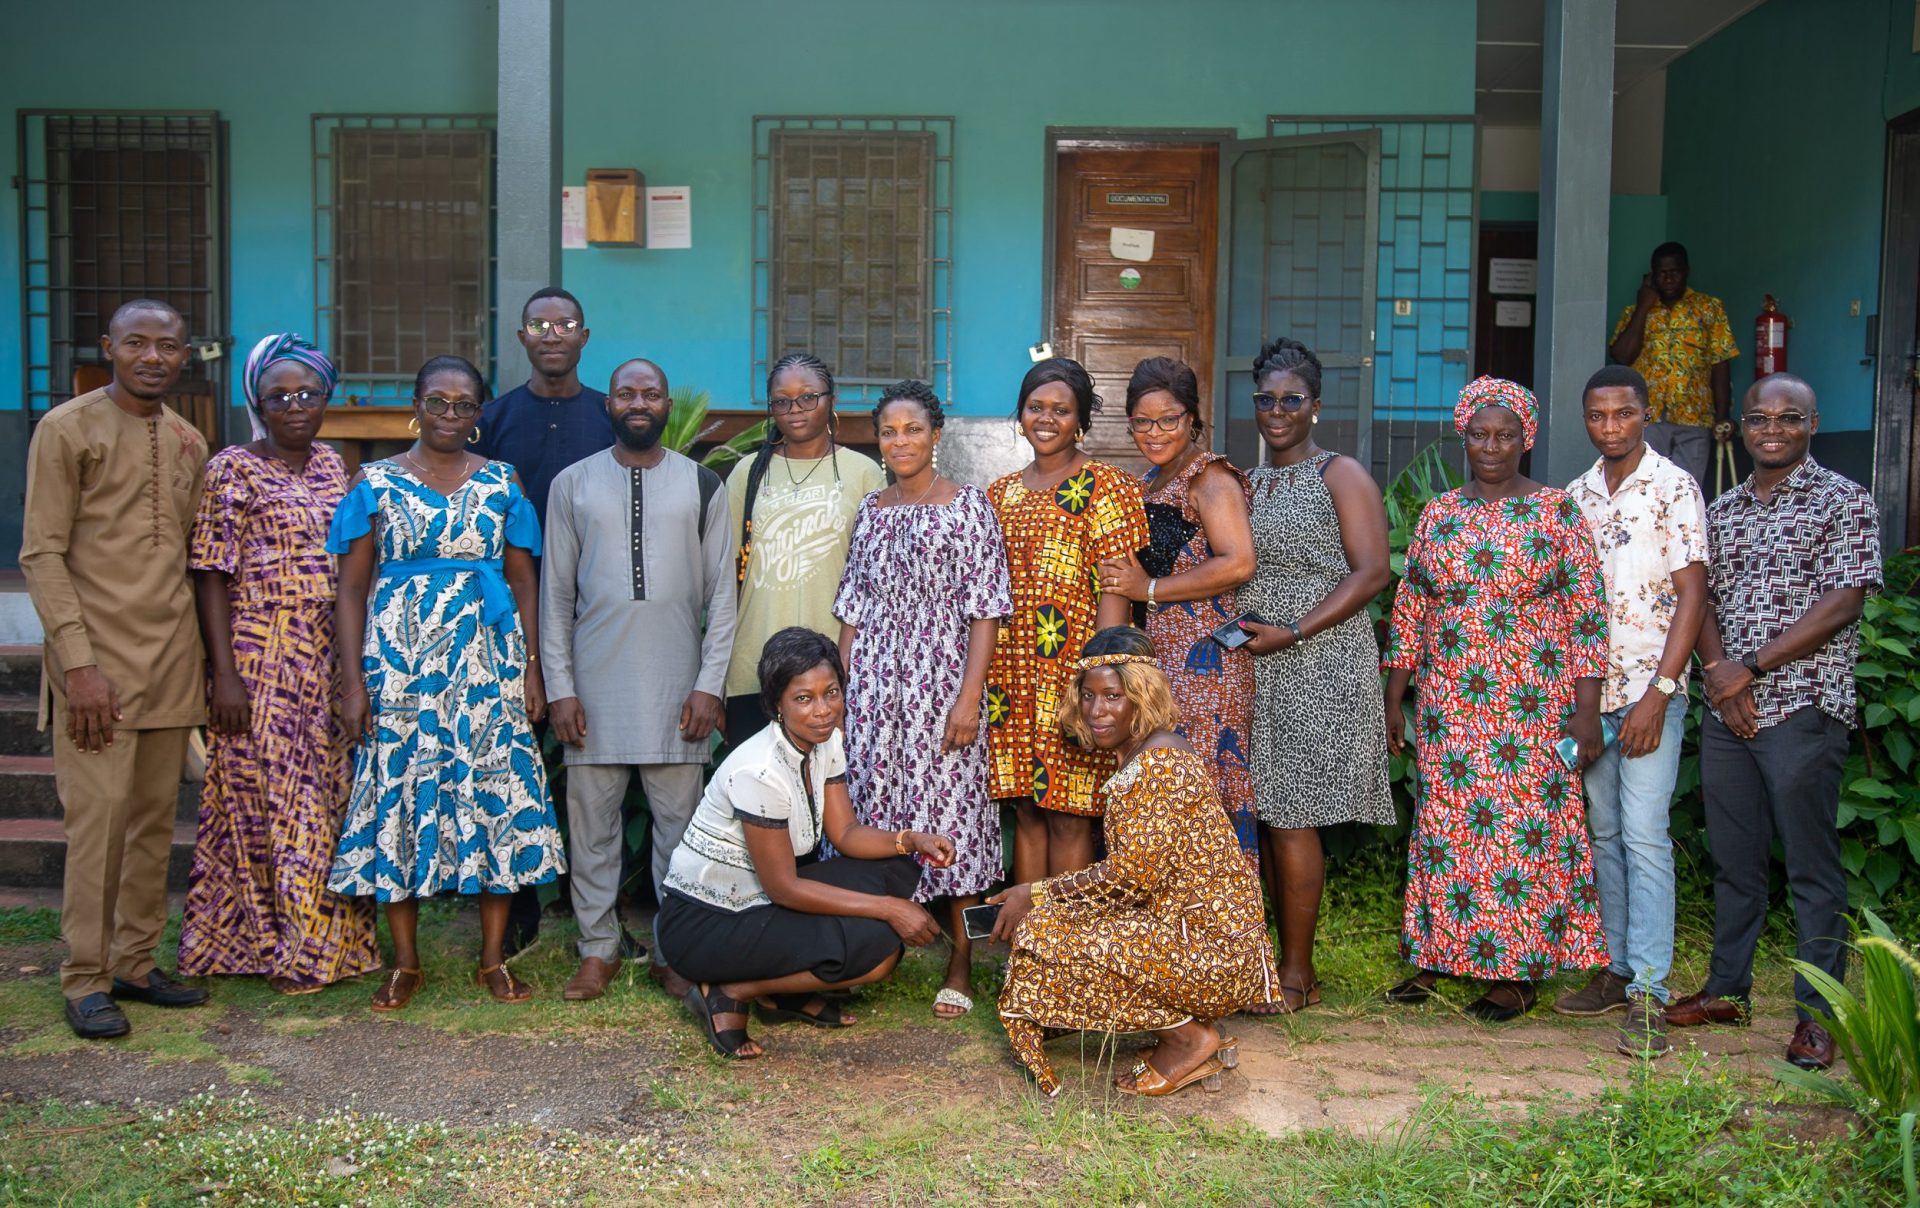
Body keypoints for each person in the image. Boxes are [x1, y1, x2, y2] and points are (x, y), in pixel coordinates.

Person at [326, 355, 566, 1010]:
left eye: (465, 405)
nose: (451, 415)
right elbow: (349, 591)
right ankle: (406, 963)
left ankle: (492, 960)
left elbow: (523, 583)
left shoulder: (501, 483)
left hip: (488, 662)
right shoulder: (374, 483)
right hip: (399, 666)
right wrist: (352, 682)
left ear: (479, 414)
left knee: (494, 787)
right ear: (417, 404)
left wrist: (533, 670)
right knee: (398, 790)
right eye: (438, 402)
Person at [1670, 373, 1881, 1073]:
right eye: (1760, 417)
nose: (1772, 429)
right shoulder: (1722, 509)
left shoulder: (1844, 501)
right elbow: (1701, 600)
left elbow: (1843, 603)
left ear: (1812, 424)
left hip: (1804, 706)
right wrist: (1723, 678)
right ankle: (1728, 989)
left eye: (1788, 418)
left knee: (1812, 872)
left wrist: (1750, 668)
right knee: (1735, 862)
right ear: (1742, 423)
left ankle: (1818, 1019)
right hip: (1732, 711)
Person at [1382, 377, 1610, 1021]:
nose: (1491, 446)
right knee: (1447, 826)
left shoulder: (1557, 512)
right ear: (1463, 436)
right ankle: (1440, 952)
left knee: (1520, 833)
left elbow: (1586, 613)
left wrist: (1587, 711)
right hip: (1451, 700)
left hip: (1531, 703)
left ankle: (1517, 971)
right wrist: (1393, 698)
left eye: (1505, 435)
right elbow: (1412, 606)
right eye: (1479, 434)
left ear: (1526, 439)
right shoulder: (1439, 513)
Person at [20, 299, 213, 1039]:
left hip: (170, 663)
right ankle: (84, 977)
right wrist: (78, 666)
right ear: (110, 347)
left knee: (152, 826)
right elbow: (41, 553)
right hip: (95, 668)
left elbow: (188, 560)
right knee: (96, 826)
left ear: (186, 356)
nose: (153, 357)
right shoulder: (66, 430)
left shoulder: (190, 439)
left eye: (168, 346)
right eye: (137, 343)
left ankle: (135, 963)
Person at [988, 627, 1278, 1098]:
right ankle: (1184, 1025)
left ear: (1142, 697)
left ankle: (1189, 1039)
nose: (1097, 711)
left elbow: (1130, 875)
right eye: (1087, 696)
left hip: (1216, 954)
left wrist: (1036, 892)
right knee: (1057, 922)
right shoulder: (1145, 755)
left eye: (1113, 696)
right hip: (1193, 940)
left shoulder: (1159, 764)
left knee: (1045, 930)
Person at [178, 333, 379, 994]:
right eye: (278, 396)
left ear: (326, 399)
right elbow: (210, 572)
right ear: (256, 402)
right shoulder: (231, 468)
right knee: (278, 802)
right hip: (261, 651)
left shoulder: (332, 466)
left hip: (329, 651)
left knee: (326, 799)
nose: (294, 405)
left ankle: (337, 940)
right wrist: (224, 673)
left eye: (308, 394)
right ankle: (296, 948)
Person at [654, 627, 956, 1059]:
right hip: (705, 921)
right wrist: (890, 908)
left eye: (831, 692)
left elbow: (846, 834)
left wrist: (911, 839)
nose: (823, 711)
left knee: (898, 868)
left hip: (758, 900)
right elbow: (784, 889)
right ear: (776, 702)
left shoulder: (824, 741)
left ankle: (783, 994)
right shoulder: (758, 770)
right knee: (879, 948)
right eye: (804, 698)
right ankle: (730, 989)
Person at [541, 358, 735, 1003]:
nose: (639, 403)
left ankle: (671, 948)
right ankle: (596, 950)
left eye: (651, 393)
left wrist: (709, 684)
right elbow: (554, 598)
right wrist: (561, 687)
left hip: (678, 689)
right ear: (609, 404)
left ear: (664, 404)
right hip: (593, 689)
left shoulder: (705, 485)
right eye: (627, 392)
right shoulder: (572, 485)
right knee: (591, 827)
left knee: (680, 832)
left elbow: (723, 598)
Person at [834, 379, 1011, 1020]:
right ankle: (869, 949)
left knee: (952, 818)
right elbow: (853, 606)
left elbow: (985, 610)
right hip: (876, 696)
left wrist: (970, 698)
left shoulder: (968, 506)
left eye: (912, 429)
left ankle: (963, 963)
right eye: (889, 431)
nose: (900, 440)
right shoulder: (872, 510)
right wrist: (843, 689)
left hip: (942, 690)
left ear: (937, 435)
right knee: (874, 815)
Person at [1233, 338, 1395, 1016]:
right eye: (1266, 399)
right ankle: (1270, 960)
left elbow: (1373, 572)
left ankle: (1298, 974)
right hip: (1256, 665)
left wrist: (1295, 630)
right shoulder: (1247, 480)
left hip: (1317, 660)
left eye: (1292, 400)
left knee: (1293, 817)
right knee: (1267, 815)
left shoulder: (1341, 474)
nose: (1278, 411)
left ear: (1316, 407)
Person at [1555, 365, 1708, 1060]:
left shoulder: (1674, 487)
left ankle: (1650, 988)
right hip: (1591, 699)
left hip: (1651, 695)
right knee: (1606, 832)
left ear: (1646, 413)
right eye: (1598, 415)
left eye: (1623, 413)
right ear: (1585, 418)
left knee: (1646, 835)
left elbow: (1691, 595)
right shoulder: (1575, 496)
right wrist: (1581, 708)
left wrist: (1661, 692)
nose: (1610, 425)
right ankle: (1617, 969)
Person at [472, 286, 612, 955]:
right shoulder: (493, 418)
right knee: (514, 757)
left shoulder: (610, 415)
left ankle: (594, 901)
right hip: (507, 613)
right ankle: (520, 902)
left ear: (585, 336)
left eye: (565, 324)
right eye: (538, 324)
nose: (552, 333)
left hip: (598, 611)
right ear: (521, 336)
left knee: (586, 755)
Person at [987, 358, 1149, 879]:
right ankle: (1027, 947)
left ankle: (1063, 947)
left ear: (1080, 420)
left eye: (1062, 410)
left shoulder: (1108, 487)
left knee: (1071, 815)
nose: (1047, 419)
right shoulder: (999, 494)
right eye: (1036, 407)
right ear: (1020, 415)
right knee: (1029, 811)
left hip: (1075, 672)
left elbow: (1116, 588)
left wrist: (1100, 682)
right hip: (1010, 675)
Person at [1096, 357, 1258, 867]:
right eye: (1142, 422)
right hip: (1157, 661)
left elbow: (1238, 562)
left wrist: (1150, 587)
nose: (1155, 431)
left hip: (1205, 664)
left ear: (1191, 418)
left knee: (1201, 787)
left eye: (1169, 419)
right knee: (1160, 790)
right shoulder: (1145, 482)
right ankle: (1165, 928)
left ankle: (1217, 928)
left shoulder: (1208, 477)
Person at [723, 354, 886, 743]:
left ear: (832, 401)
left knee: (834, 794)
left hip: (832, 673)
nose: (795, 409)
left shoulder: (864, 472)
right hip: (753, 666)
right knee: (760, 797)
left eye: (808, 397)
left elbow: (874, 581)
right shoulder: (749, 472)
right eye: (783, 400)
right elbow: (725, 578)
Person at [1608, 242, 1739, 488]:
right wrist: (1644, 306)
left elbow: (1720, 363)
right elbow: (1621, 356)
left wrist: (1723, 416)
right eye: (1661, 272)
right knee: (1644, 491)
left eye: (1674, 271)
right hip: (1648, 417)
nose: (1667, 278)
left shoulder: (1709, 308)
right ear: (1652, 276)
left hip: (1695, 417)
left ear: (1686, 271)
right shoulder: (1635, 311)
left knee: (1686, 491)